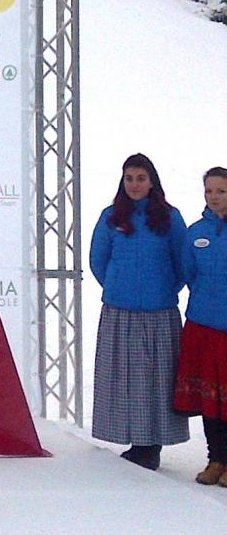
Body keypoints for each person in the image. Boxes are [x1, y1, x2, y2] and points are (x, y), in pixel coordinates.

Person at [89, 154, 188, 470]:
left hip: (159, 312)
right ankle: (134, 439)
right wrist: (119, 286)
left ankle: (151, 444)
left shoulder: (170, 218)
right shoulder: (111, 216)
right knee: (126, 380)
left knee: (156, 381)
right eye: (129, 178)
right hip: (120, 311)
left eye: (141, 178)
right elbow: (98, 259)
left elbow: (183, 263)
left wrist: (162, 289)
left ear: (152, 181)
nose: (135, 185)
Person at [174, 166, 227, 486]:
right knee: (211, 399)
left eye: (221, 191)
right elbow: (188, 273)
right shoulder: (195, 233)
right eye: (209, 191)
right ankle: (216, 459)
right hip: (202, 326)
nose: (214, 197)